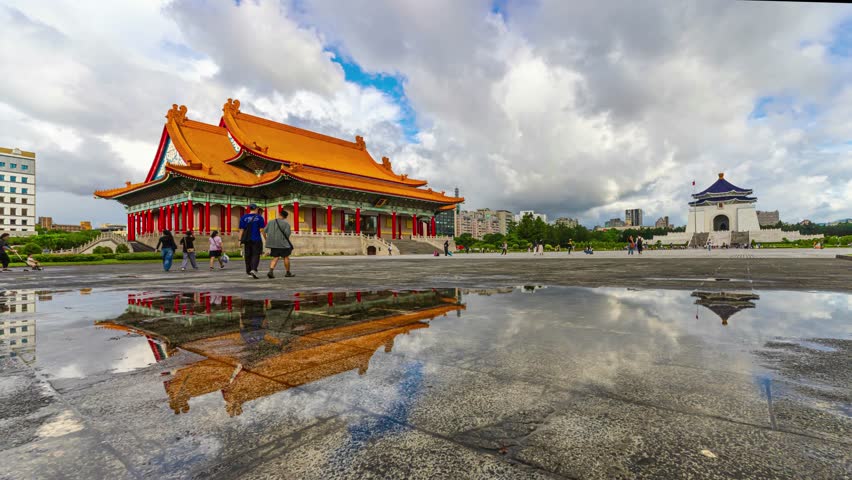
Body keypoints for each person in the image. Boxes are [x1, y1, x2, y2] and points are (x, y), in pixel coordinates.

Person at [264, 208, 294, 278]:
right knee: (286, 257)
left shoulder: (270, 222)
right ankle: (288, 272)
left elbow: (264, 230)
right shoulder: (286, 224)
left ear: (279, 214)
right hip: (283, 244)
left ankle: (271, 271)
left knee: (275, 257)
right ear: (286, 217)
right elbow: (287, 234)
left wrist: (267, 239)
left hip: (273, 244)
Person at [239, 204, 267, 279]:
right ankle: (254, 269)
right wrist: (265, 238)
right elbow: (261, 229)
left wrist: (239, 240)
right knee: (256, 254)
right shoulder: (259, 217)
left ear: (249, 209)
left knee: (248, 255)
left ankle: (248, 271)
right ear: (256, 209)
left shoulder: (244, 217)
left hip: (246, 239)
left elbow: (241, 229)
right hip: (256, 239)